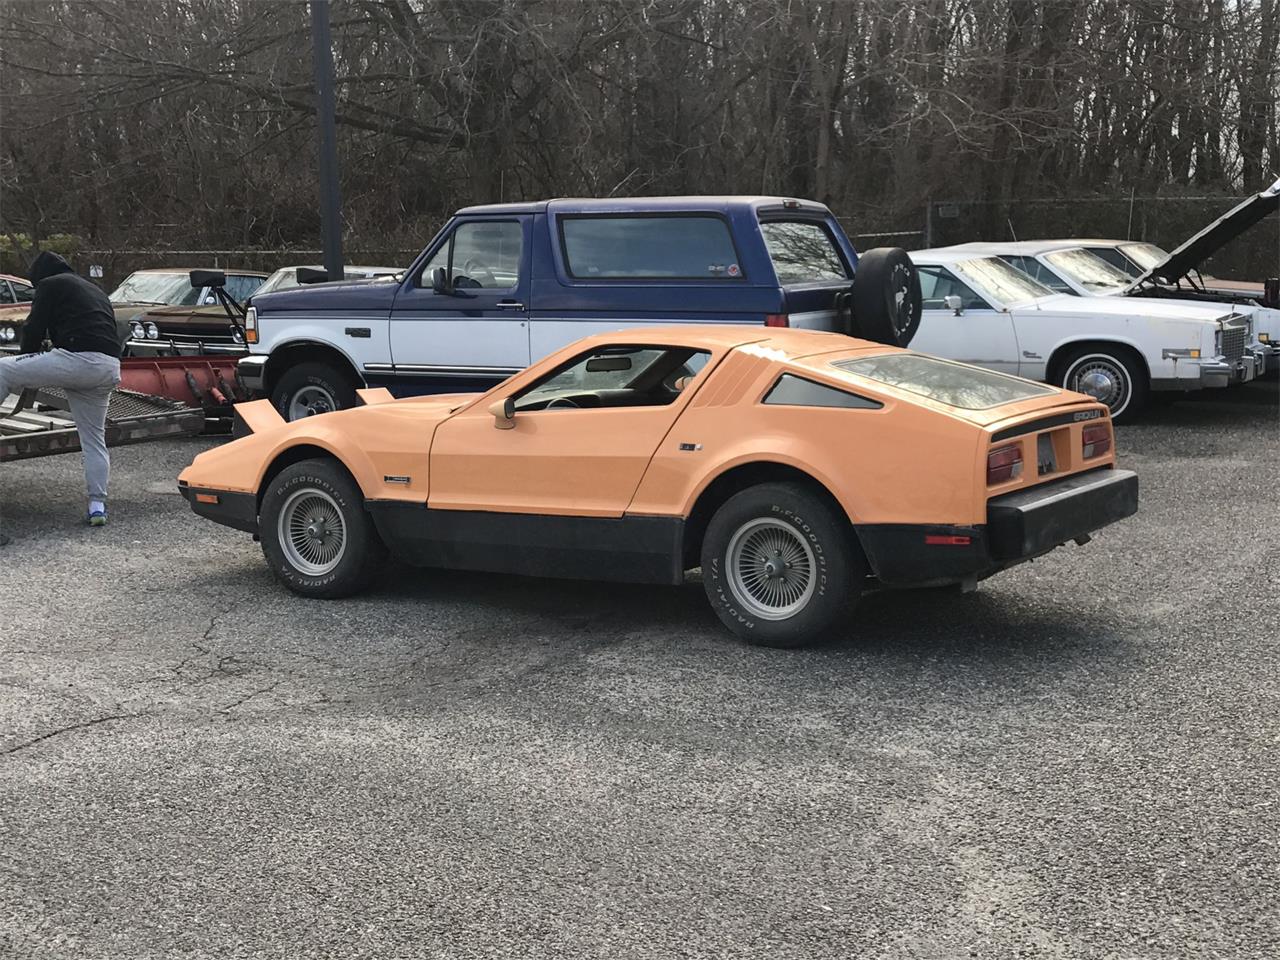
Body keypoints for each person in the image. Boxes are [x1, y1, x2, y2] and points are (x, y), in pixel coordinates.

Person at [0, 251, 121, 527]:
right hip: (108, 367)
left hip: (76, 359)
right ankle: (97, 506)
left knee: (4, 369)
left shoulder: (50, 284)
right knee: (93, 440)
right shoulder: (93, 289)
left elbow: (33, 328)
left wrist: (26, 359)